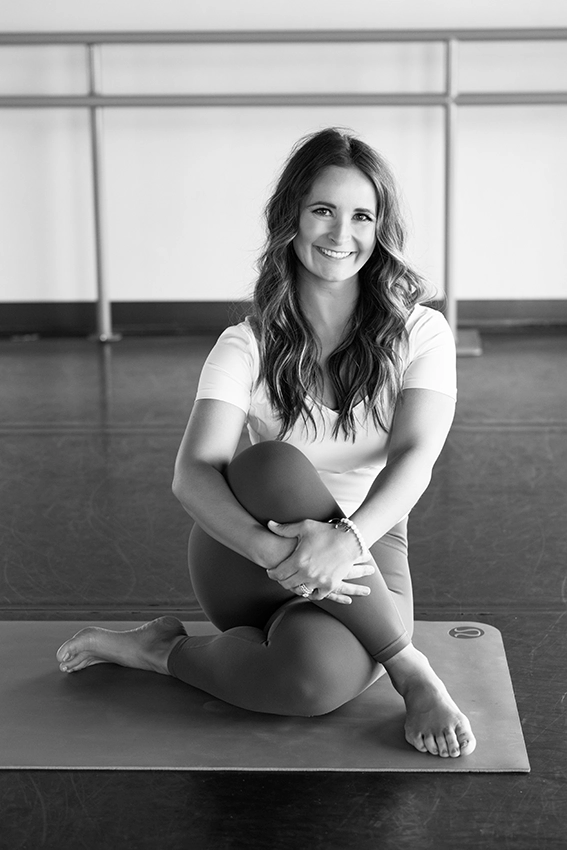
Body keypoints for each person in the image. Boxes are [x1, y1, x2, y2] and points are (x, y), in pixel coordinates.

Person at [57, 127, 476, 759]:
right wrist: (278, 551)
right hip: (248, 558)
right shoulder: (246, 344)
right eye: (323, 211)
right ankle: (410, 667)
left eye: (362, 215)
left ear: (381, 227)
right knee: (276, 464)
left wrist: (347, 540)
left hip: (366, 549)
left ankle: (158, 651)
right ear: (292, 218)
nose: (341, 234)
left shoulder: (421, 333)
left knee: (314, 684)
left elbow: (417, 455)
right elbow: (192, 473)